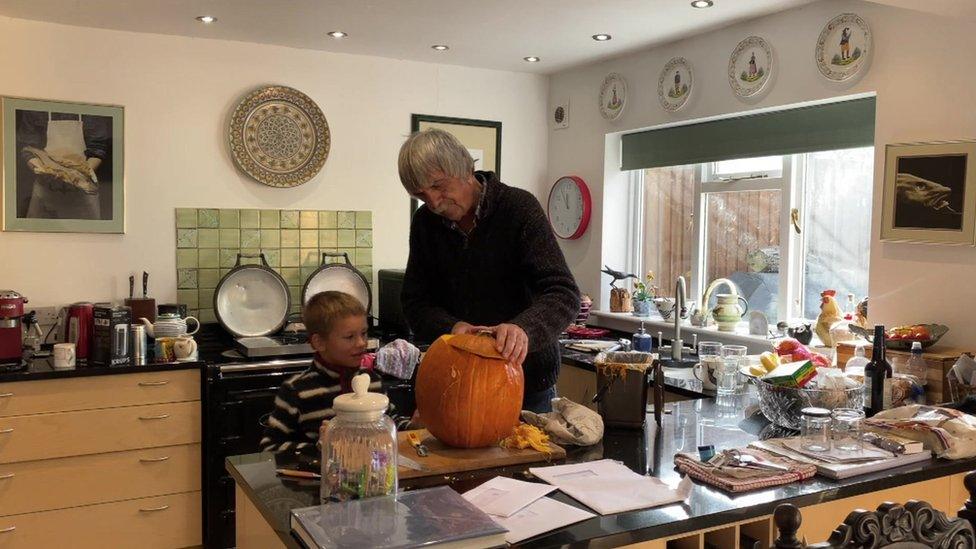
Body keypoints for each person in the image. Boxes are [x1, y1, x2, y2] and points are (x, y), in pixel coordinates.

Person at [398, 129, 580, 414]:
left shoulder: (519, 209)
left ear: (466, 170)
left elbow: (563, 293)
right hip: (457, 381)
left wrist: (523, 329)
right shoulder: (424, 223)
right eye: (420, 194)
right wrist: (452, 328)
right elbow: (415, 303)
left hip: (527, 384)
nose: (432, 202)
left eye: (439, 186)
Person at [259, 291, 409, 453]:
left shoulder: (372, 381)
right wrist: (319, 447)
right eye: (349, 337)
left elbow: (390, 421)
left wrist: (413, 425)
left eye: (364, 333)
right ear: (319, 342)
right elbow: (270, 448)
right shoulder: (297, 391)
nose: (361, 343)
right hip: (320, 477)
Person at [16, 110, 112, 220]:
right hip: (45, 188)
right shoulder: (34, 110)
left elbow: (98, 148)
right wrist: (44, 171)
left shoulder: (91, 110)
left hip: (83, 190)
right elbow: (28, 148)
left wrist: (77, 175)